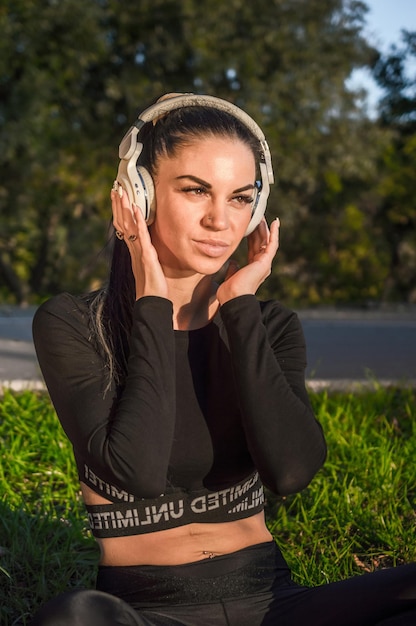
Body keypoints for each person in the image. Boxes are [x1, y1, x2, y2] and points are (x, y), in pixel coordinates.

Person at [31, 93, 416, 625]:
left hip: (272, 603)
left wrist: (239, 307)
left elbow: (291, 471)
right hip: (148, 611)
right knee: (74, 616)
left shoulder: (269, 324)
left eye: (241, 198)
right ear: (138, 196)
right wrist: (153, 300)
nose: (220, 220)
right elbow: (137, 472)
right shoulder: (74, 324)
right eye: (195, 191)